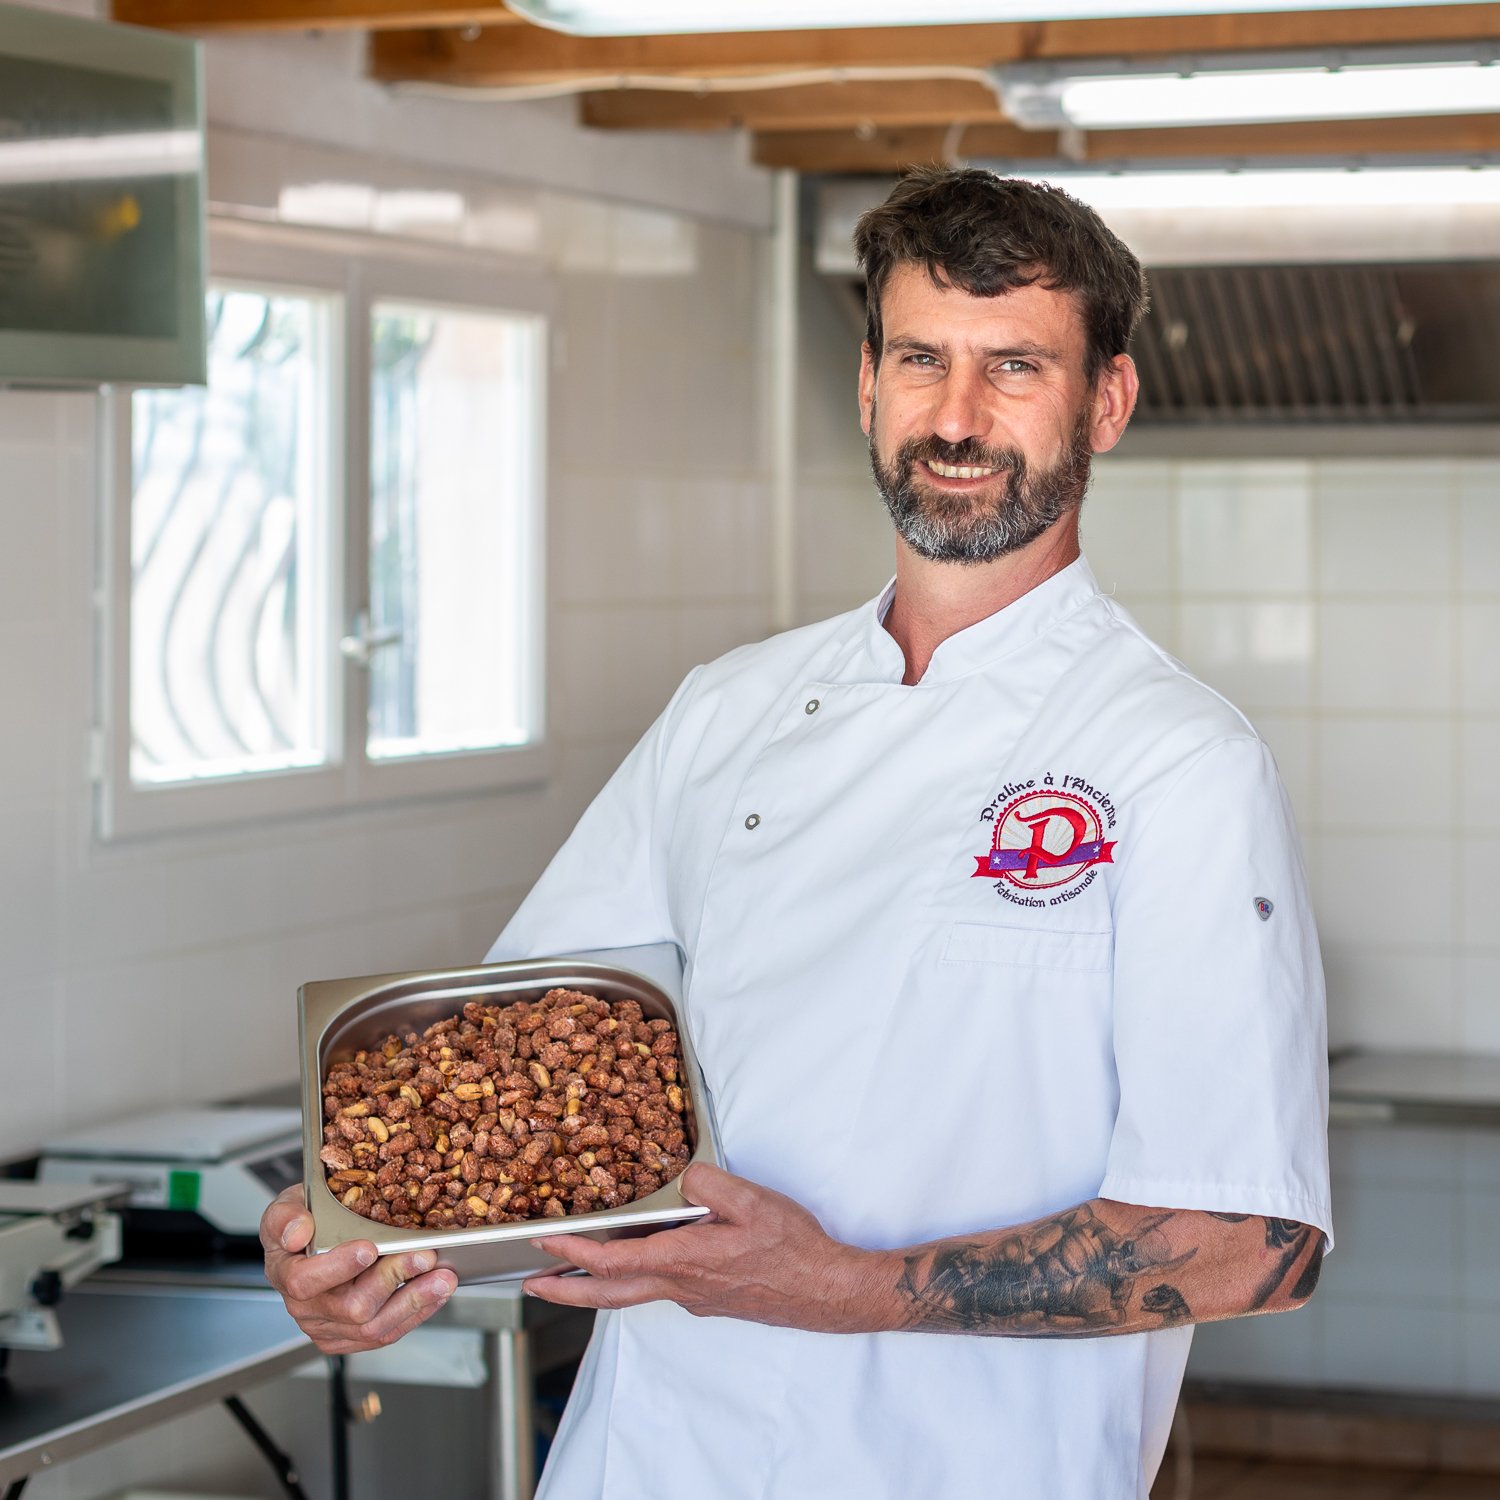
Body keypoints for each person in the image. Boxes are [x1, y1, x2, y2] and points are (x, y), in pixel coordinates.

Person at [262, 166, 1332, 1499]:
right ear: (870, 384)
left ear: (1105, 401)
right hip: (648, 1463)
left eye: (1014, 367)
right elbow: (519, 1066)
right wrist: (348, 1238)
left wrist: (846, 1287)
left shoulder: (1176, 761)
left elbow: (1252, 1244)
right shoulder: (729, 713)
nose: (956, 415)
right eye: (920, 359)